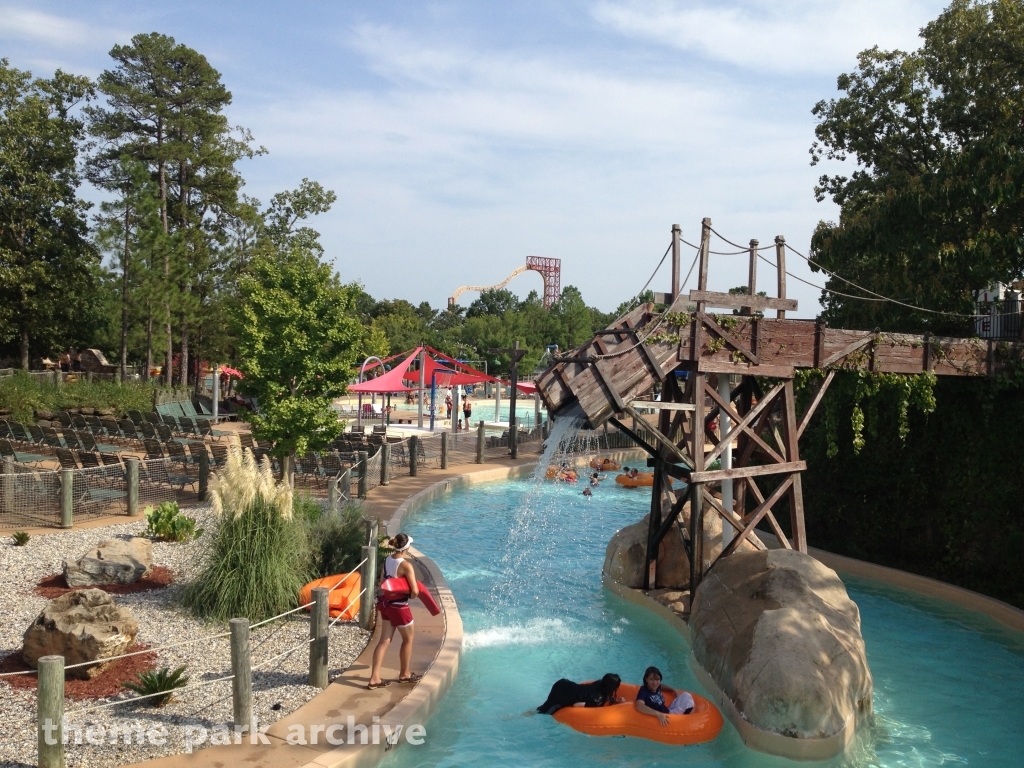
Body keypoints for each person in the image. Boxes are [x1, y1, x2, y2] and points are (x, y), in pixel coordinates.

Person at [367, 534, 421, 689]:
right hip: (400, 607)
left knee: (384, 640)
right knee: (408, 639)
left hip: (386, 605)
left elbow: (383, 583)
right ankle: (405, 674)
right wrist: (410, 593)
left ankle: (374, 678)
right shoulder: (406, 565)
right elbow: (415, 591)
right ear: (406, 547)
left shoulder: (387, 560)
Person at [537, 673, 625, 714]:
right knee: (544, 712)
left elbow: (605, 696)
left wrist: (617, 702)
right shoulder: (598, 700)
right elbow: (576, 705)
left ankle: (528, 713)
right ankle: (527, 715)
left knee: (543, 706)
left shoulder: (599, 683)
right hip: (562, 694)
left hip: (564, 683)